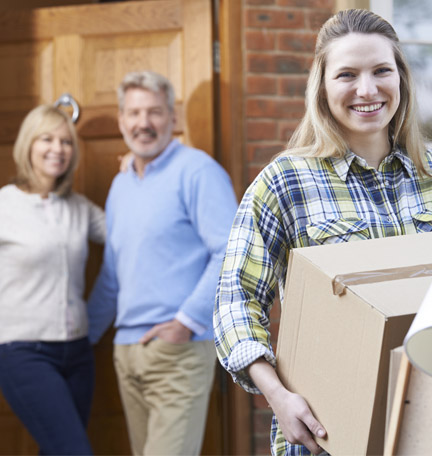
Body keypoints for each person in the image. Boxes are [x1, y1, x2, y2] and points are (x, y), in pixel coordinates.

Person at [214, 8, 432, 456]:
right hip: (327, 433)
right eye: (347, 74)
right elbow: (235, 300)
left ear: (401, 79)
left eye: (381, 71)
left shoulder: (431, 171)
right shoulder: (285, 182)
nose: (367, 90)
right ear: (322, 85)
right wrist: (277, 395)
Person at [87, 70, 238, 456]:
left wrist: (186, 323)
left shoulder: (197, 171)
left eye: (154, 112)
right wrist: (82, 338)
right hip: (126, 350)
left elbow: (230, 251)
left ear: (173, 117)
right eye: (134, 113)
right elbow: (112, 273)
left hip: (178, 351)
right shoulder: (121, 185)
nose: (143, 123)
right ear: (121, 121)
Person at [0, 105, 106, 455]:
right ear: (28, 145)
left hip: (78, 353)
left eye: (65, 141)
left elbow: (126, 234)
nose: (57, 149)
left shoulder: (78, 207)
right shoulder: (5, 205)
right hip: (23, 353)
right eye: (47, 139)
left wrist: (135, 178)